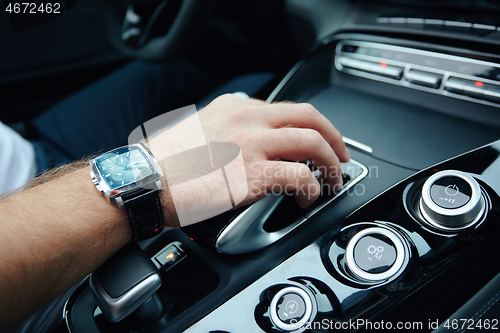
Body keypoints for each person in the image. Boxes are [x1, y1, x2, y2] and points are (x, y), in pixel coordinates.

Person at [0, 60, 350, 332]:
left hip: (28, 150)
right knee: (249, 86)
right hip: (33, 215)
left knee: (167, 72)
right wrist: (160, 174)